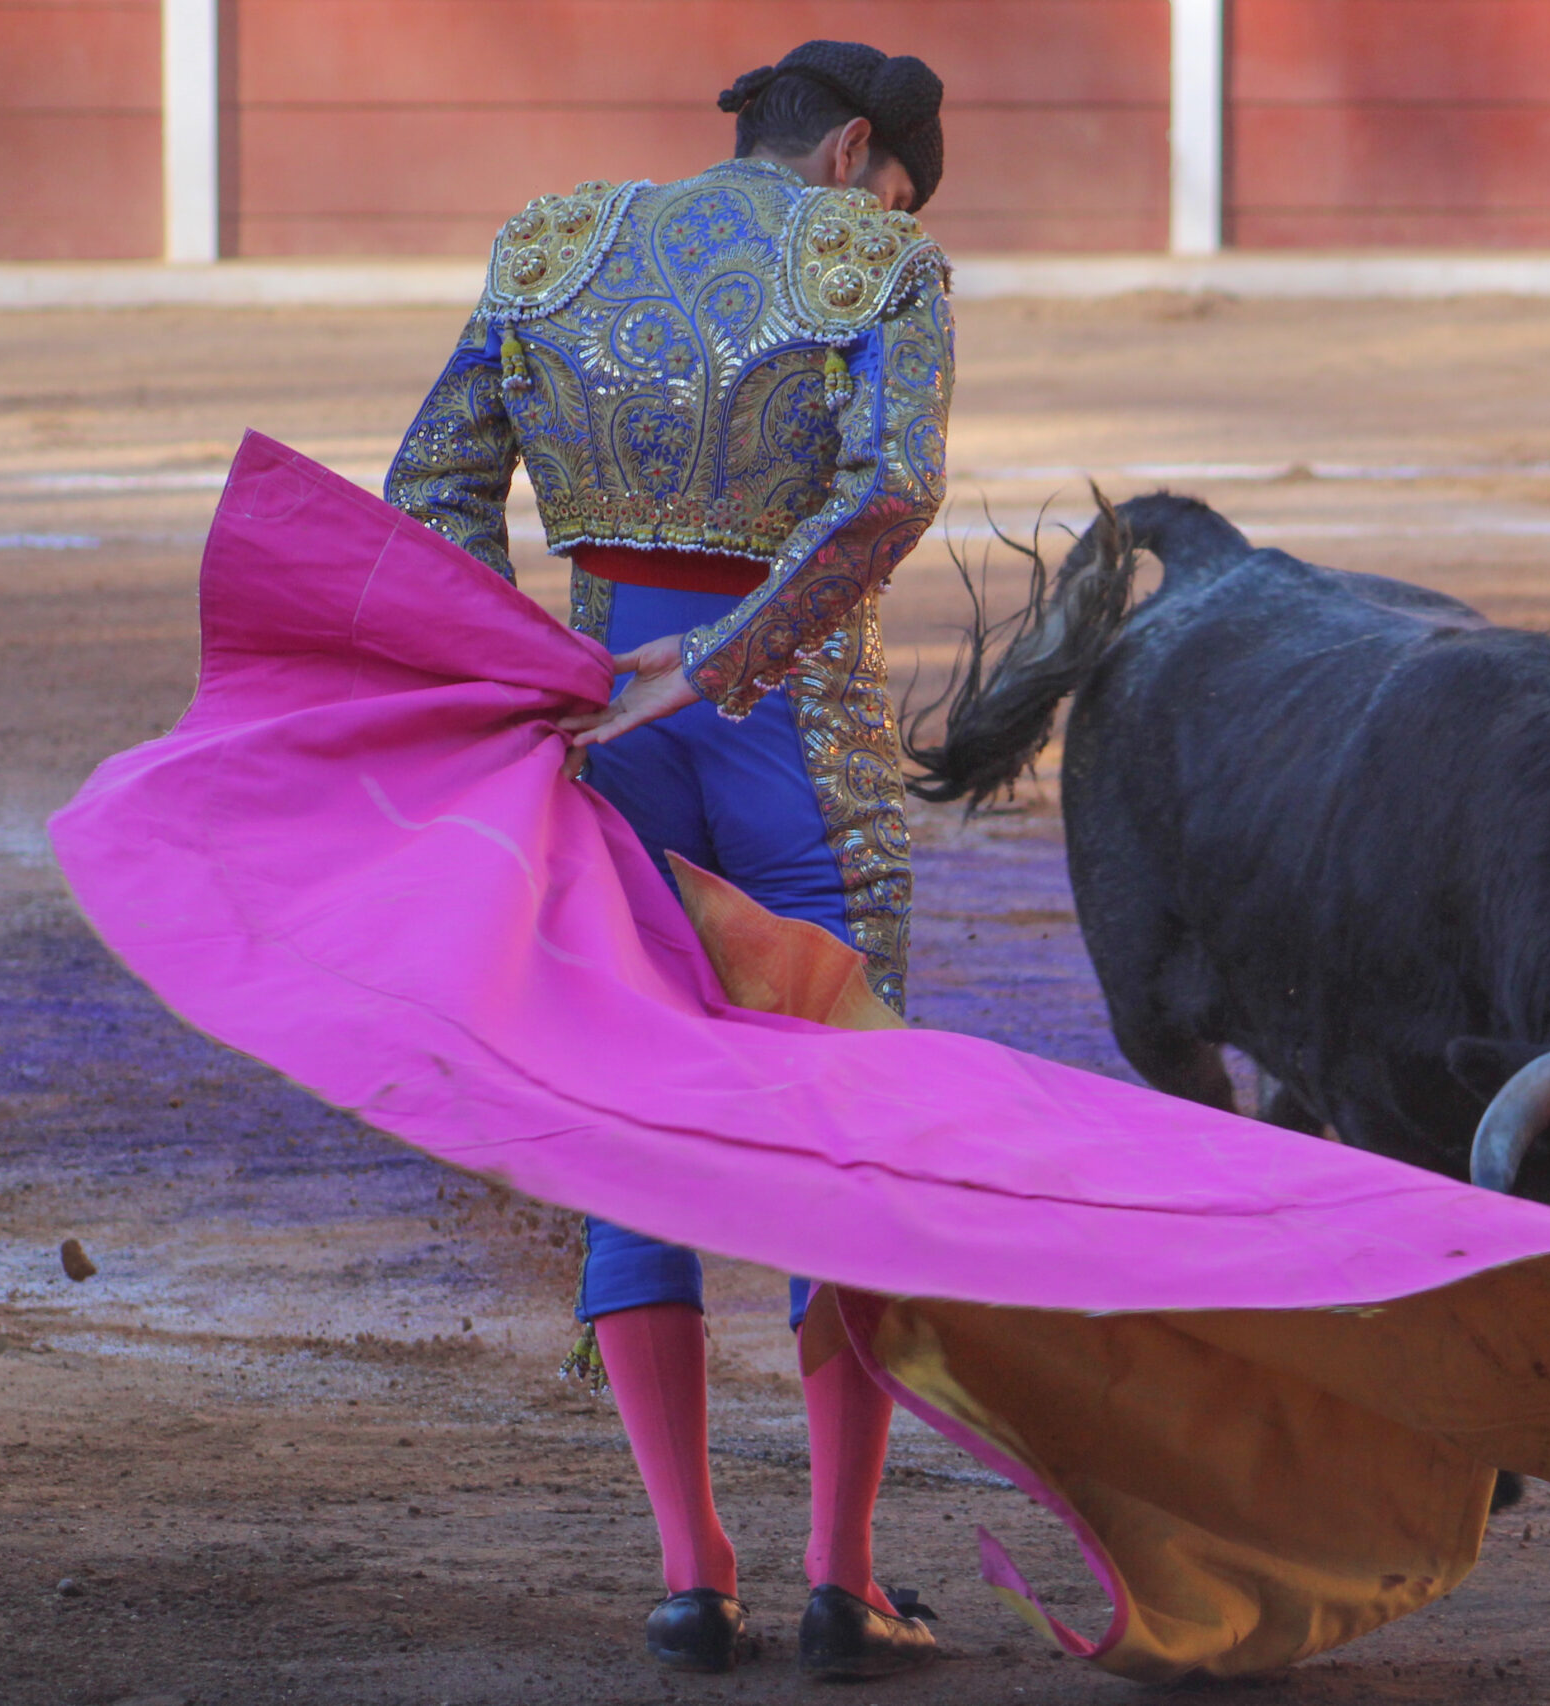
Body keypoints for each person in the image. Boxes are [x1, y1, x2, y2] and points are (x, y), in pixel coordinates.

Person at [382, 39, 953, 1680]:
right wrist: (730, 660)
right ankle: (843, 1571)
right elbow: (893, 489)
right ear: (855, 155)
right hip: (798, 746)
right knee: (851, 1134)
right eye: (898, 185)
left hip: (604, 737)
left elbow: (432, 488)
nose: (896, 210)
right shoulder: (876, 260)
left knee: (630, 1125)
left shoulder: (555, 244)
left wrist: (536, 683)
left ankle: (689, 1571)